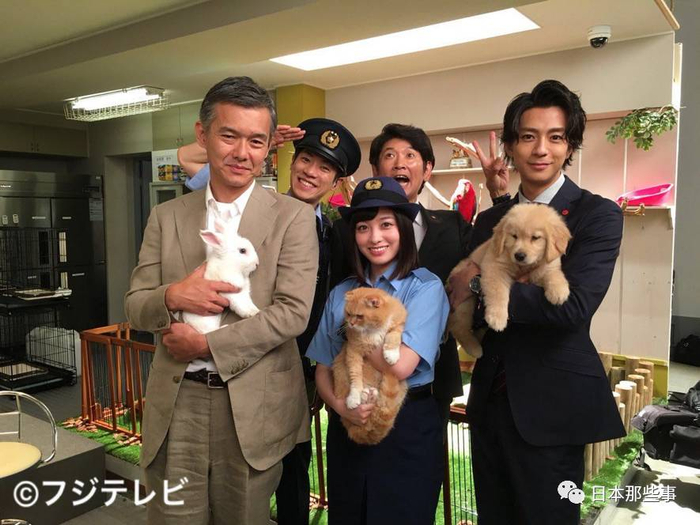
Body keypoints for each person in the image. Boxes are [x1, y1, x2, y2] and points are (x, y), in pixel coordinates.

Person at [125, 76, 319, 525]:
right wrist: (174, 295)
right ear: (203, 135)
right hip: (178, 404)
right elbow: (135, 305)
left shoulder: (293, 217)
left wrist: (206, 344)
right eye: (229, 136)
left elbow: (293, 313)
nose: (242, 152)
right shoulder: (166, 216)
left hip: (254, 405)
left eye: (256, 141)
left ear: (268, 147)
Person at [448, 79, 626, 524]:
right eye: (528, 136)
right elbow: (468, 297)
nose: (541, 149)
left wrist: (481, 287)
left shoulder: (595, 214)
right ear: (511, 146)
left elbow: (573, 307)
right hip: (488, 403)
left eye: (556, 137)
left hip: (552, 409)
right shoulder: (492, 218)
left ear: (570, 146)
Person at [178, 117, 362, 525]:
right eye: (306, 159)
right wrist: (260, 145)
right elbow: (188, 160)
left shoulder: (336, 232)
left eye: (325, 168)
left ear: (336, 181)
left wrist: (322, 370)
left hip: (303, 368)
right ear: (291, 160)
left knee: (295, 464)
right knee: (239, 470)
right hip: (245, 361)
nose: (311, 173)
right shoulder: (249, 212)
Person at [308, 176, 449, 524]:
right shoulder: (342, 292)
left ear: (403, 229)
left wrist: (352, 334)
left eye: (386, 225)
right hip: (348, 423)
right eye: (363, 227)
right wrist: (341, 406)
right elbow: (323, 368)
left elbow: (400, 366)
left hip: (407, 426)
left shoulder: (425, 288)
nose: (375, 237)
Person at [330, 123, 471, 426]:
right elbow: (336, 297)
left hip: (428, 386)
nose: (399, 164)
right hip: (358, 381)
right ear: (375, 169)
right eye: (390, 155)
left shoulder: (453, 226)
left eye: (410, 155)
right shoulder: (345, 230)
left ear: (427, 169)